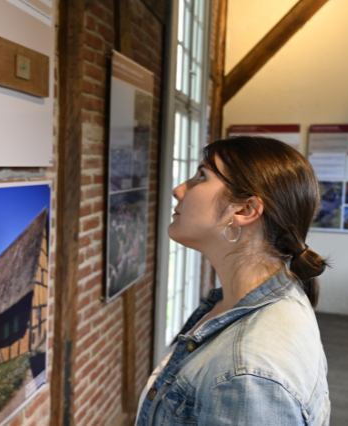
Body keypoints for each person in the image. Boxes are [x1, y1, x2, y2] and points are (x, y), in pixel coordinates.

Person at [136, 136, 330, 425]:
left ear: (244, 210)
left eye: (202, 177)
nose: (178, 190)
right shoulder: (243, 300)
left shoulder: (247, 375)